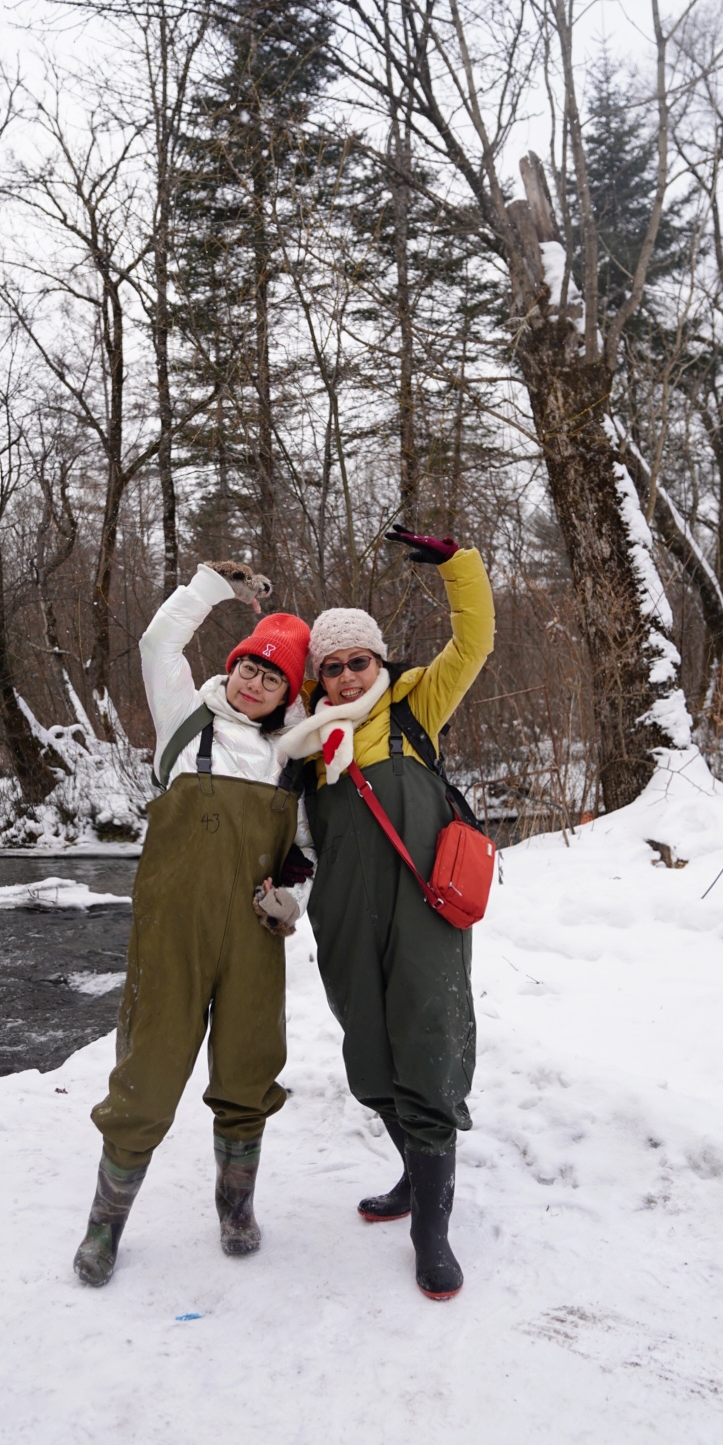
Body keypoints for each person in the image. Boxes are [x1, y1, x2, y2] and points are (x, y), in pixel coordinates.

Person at [73, 560, 313, 1287]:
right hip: (171, 933)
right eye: (247, 668)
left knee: (247, 1071)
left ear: (287, 694)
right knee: (145, 1077)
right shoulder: (186, 716)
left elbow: (305, 849)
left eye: (271, 678)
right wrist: (213, 586)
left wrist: (291, 897)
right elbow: (156, 644)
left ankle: (234, 1206)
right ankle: (103, 1225)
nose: (252, 684)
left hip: (252, 937)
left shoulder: (296, 755)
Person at [277, 526, 494, 1300]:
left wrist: (457, 567)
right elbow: (269, 810)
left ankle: (431, 1233)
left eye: (356, 662)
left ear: (379, 661)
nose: (343, 678)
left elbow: (475, 639)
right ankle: (411, 1176)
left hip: (424, 913)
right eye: (330, 667)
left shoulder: (414, 707)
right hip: (345, 917)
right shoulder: (300, 740)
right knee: (371, 1057)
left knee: (429, 1052)